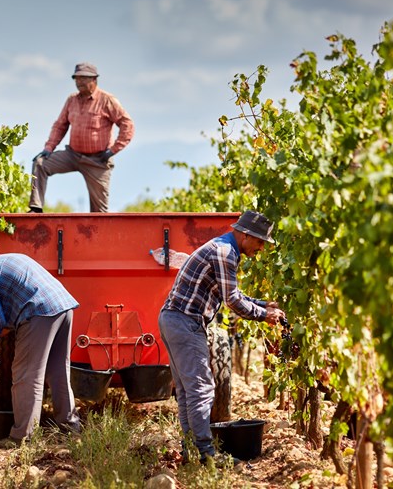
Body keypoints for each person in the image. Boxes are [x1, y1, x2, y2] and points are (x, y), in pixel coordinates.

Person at [157, 210, 287, 464]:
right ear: (246, 235)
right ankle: (205, 454)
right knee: (201, 390)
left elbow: (233, 293)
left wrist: (264, 303)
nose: (261, 248)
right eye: (260, 241)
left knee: (187, 391)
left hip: (174, 319)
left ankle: (192, 451)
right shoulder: (225, 253)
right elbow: (233, 301)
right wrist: (264, 315)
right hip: (185, 321)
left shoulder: (225, 248)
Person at [0, 253, 82, 448]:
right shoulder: (0, 261)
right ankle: (71, 430)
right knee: (58, 372)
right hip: (63, 305)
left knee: (26, 375)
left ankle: (22, 438)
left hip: (39, 311)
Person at [28, 62, 134, 213]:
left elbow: (127, 124)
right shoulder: (72, 100)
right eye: (76, 78)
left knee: (99, 212)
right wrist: (48, 148)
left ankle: (98, 233)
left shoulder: (107, 100)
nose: (79, 82)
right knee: (40, 163)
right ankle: (35, 208)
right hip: (73, 154)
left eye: (84, 78)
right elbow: (60, 125)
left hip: (98, 159)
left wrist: (113, 150)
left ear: (94, 80)